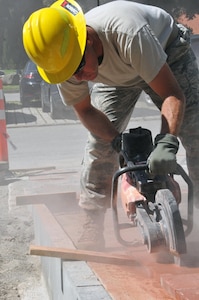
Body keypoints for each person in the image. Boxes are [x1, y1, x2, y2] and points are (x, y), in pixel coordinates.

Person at [23, 0, 199, 251]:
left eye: (78, 67)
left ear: (89, 40)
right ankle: (92, 221)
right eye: (68, 74)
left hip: (166, 53)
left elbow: (173, 94)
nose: (78, 78)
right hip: (117, 75)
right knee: (99, 145)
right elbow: (85, 110)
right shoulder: (65, 60)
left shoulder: (128, 32)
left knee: (196, 132)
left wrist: (166, 142)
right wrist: (116, 142)